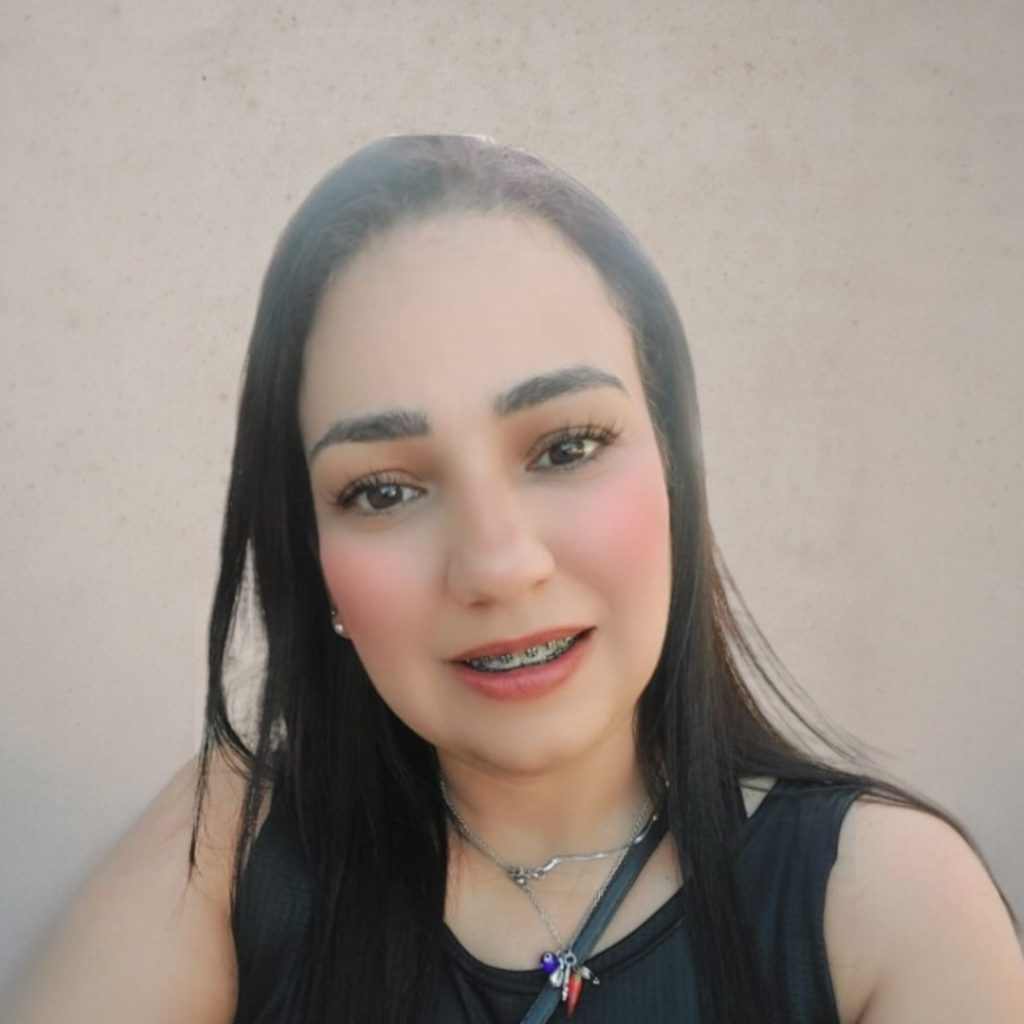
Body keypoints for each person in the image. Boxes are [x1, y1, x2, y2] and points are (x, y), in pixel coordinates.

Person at [4, 134, 1024, 1024]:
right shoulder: (234, 844)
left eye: (566, 447)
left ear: (676, 470)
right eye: (383, 491)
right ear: (310, 559)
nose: (497, 565)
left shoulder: (884, 904)